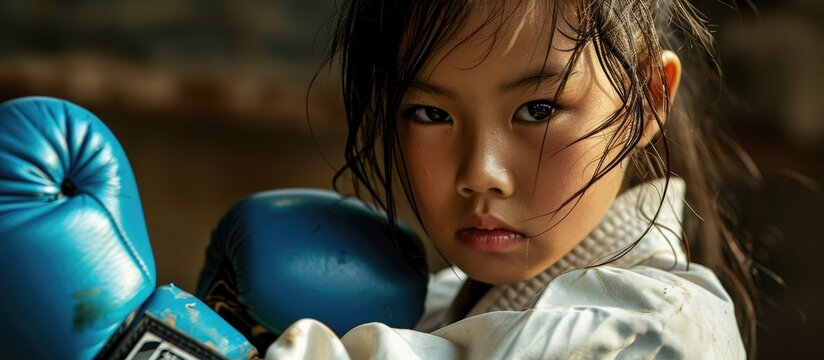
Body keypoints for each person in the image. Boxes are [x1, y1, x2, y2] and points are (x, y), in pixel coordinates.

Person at [265, 0, 758, 358]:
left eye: (539, 109)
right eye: (431, 113)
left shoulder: (652, 334)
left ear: (648, 100)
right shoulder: (433, 304)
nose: (482, 174)